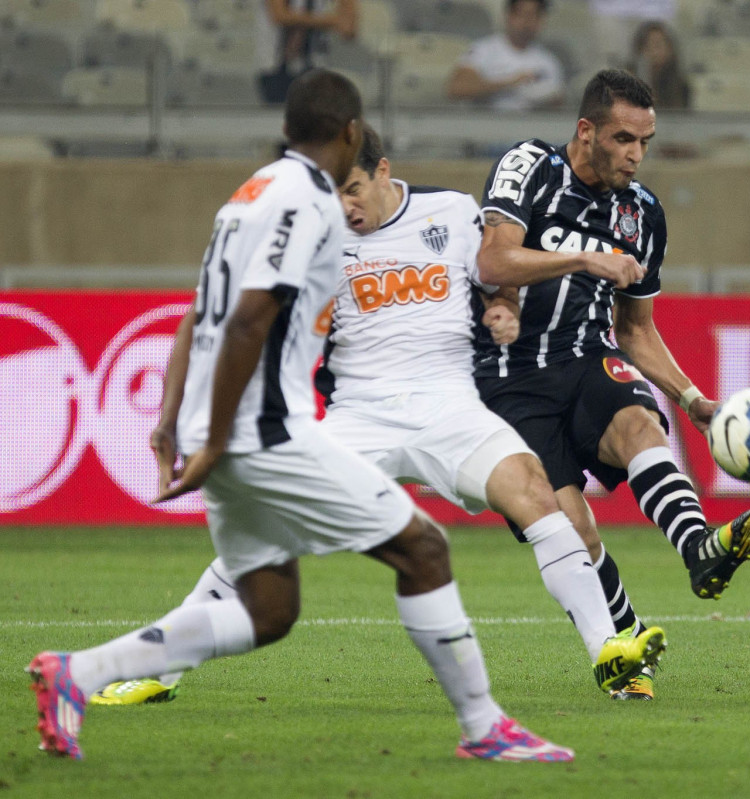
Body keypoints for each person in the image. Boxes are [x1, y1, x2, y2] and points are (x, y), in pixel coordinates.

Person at [26, 70, 573, 764]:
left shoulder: (245, 199)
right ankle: (485, 726)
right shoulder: (310, 202)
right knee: (423, 548)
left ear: (288, 131)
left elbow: (200, 312)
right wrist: (223, 433)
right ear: (350, 134)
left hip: (223, 425)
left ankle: (79, 672)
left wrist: (172, 420)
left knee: (268, 609)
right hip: (263, 428)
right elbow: (251, 317)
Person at [88, 123, 667, 708]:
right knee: (265, 531)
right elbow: (213, 314)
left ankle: (609, 653)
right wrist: (171, 417)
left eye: (355, 190)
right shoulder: (310, 237)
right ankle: (157, 669)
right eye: (334, 194)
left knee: (536, 492)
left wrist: (503, 312)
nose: (346, 207)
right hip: (358, 415)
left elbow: (496, 280)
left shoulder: (451, 211)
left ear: (384, 172)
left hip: (450, 408)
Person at [474, 68, 750, 702]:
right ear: (586, 131)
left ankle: (699, 548)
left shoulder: (643, 214)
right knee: (571, 531)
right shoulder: (529, 167)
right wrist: (584, 258)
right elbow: (494, 260)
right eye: (623, 139)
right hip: (509, 381)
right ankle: (623, 643)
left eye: (646, 141)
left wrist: (691, 398)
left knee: (641, 422)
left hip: (586, 360)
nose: (636, 156)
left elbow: (635, 329)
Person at [445, 0, 565, 112]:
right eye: (522, 14)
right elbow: (457, 88)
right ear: (508, 16)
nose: (527, 22)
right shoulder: (483, 50)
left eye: (534, 16)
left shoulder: (549, 61)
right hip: (485, 125)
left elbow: (557, 104)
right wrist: (510, 83)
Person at [255, 0, 357, 103]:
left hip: (318, 65)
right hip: (277, 67)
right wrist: (331, 21)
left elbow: (348, 26)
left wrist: (342, 18)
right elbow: (279, 15)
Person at [629, 21, 690, 111]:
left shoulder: (681, 86)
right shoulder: (627, 84)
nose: (652, 51)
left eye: (657, 45)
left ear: (669, 49)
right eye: (647, 45)